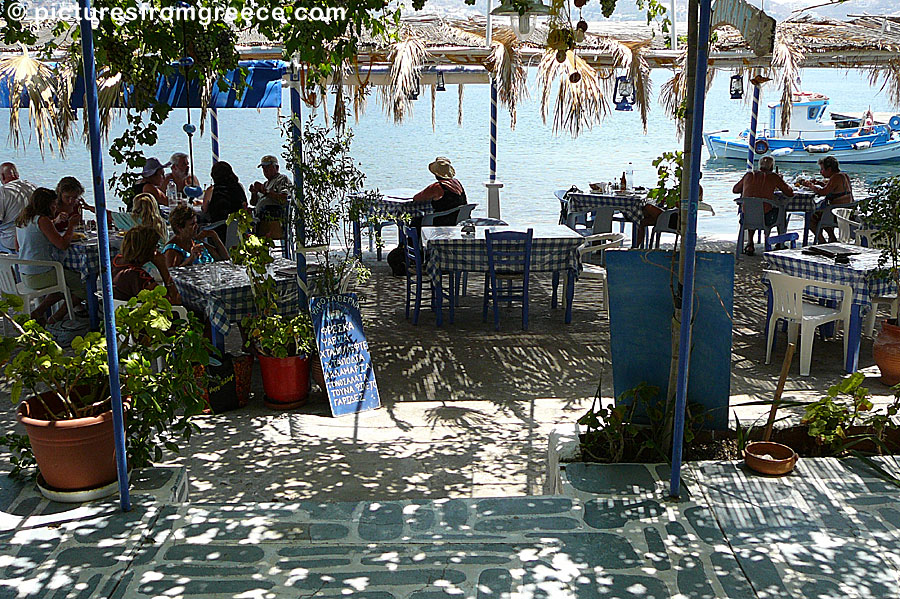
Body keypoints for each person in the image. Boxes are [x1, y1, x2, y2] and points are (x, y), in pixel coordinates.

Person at [14, 187, 87, 324]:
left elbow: (18, 247)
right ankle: (54, 319)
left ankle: (38, 312)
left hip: (25, 274)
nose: (55, 209)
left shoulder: (22, 219)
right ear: (46, 205)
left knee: (65, 284)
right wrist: (71, 226)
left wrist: (54, 223)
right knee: (83, 285)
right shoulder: (42, 220)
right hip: (40, 275)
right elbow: (63, 245)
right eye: (53, 205)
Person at [732, 156, 794, 255]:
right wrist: (779, 181)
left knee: (753, 210)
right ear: (772, 166)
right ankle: (780, 242)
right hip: (766, 218)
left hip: (746, 217)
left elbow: (735, 189)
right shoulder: (773, 177)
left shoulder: (749, 175)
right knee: (781, 211)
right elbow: (789, 193)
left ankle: (750, 243)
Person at [112, 226, 180, 304]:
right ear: (147, 250)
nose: (157, 250)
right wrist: (163, 268)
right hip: (139, 313)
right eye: (156, 246)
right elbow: (175, 300)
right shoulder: (139, 276)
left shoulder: (116, 261)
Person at [800, 155, 853, 243]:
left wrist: (810, 186)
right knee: (822, 211)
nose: (821, 172)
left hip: (836, 213)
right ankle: (832, 237)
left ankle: (821, 241)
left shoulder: (835, 177)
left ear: (829, 169)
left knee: (812, 219)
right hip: (846, 211)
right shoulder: (844, 175)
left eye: (822, 169)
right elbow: (834, 189)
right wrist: (819, 183)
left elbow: (822, 192)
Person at [164, 204, 228, 268]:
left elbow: (225, 259)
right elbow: (172, 273)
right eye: (192, 224)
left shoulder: (195, 242)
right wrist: (191, 258)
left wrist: (214, 236)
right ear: (179, 228)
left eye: (196, 223)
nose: (196, 227)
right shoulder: (172, 250)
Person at [412, 156, 467, 227]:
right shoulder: (457, 182)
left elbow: (417, 198)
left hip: (441, 221)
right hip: (457, 221)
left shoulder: (437, 187)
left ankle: (412, 237)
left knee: (415, 220)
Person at [201, 161, 246, 241]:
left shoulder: (211, 190)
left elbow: (204, 210)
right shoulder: (239, 187)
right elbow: (244, 206)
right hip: (238, 231)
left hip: (217, 232)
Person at [249, 155, 292, 238]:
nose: (265, 170)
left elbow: (283, 199)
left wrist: (265, 191)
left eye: (268, 167)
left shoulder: (282, 179)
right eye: (263, 168)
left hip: (274, 221)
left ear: (277, 167)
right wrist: (254, 193)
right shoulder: (266, 184)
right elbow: (254, 203)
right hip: (260, 220)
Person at [0, 162, 36, 252]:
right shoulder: (32, 187)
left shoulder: (3, 192)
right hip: (31, 237)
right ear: (17, 174)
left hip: (10, 241)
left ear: (2, 176)